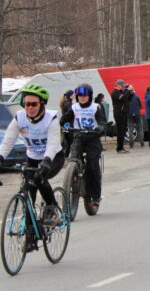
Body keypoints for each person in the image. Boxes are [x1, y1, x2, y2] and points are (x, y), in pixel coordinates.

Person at [0, 84, 64, 251]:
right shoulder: (19, 118)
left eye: (34, 104)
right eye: (26, 104)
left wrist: (46, 161)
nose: (30, 108)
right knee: (28, 198)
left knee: (40, 178)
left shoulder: (51, 118)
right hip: (32, 158)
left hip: (53, 157)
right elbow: (8, 140)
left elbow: (53, 144)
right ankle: (31, 237)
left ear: (42, 105)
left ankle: (53, 209)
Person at [60, 83, 106, 212]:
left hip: (93, 139)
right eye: (80, 95)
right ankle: (73, 181)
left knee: (92, 166)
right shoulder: (74, 108)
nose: (82, 97)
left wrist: (101, 128)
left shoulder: (96, 107)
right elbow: (64, 119)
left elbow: (102, 121)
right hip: (78, 138)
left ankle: (95, 196)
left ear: (89, 96)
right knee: (72, 161)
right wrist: (64, 124)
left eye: (84, 95)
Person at [111, 79, 133, 153]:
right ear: (118, 85)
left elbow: (128, 99)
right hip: (119, 113)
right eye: (123, 86)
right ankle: (119, 148)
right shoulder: (115, 92)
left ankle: (121, 147)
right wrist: (128, 91)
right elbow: (122, 98)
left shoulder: (122, 92)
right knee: (120, 131)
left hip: (124, 113)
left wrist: (131, 93)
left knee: (123, 131)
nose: (124, 87)